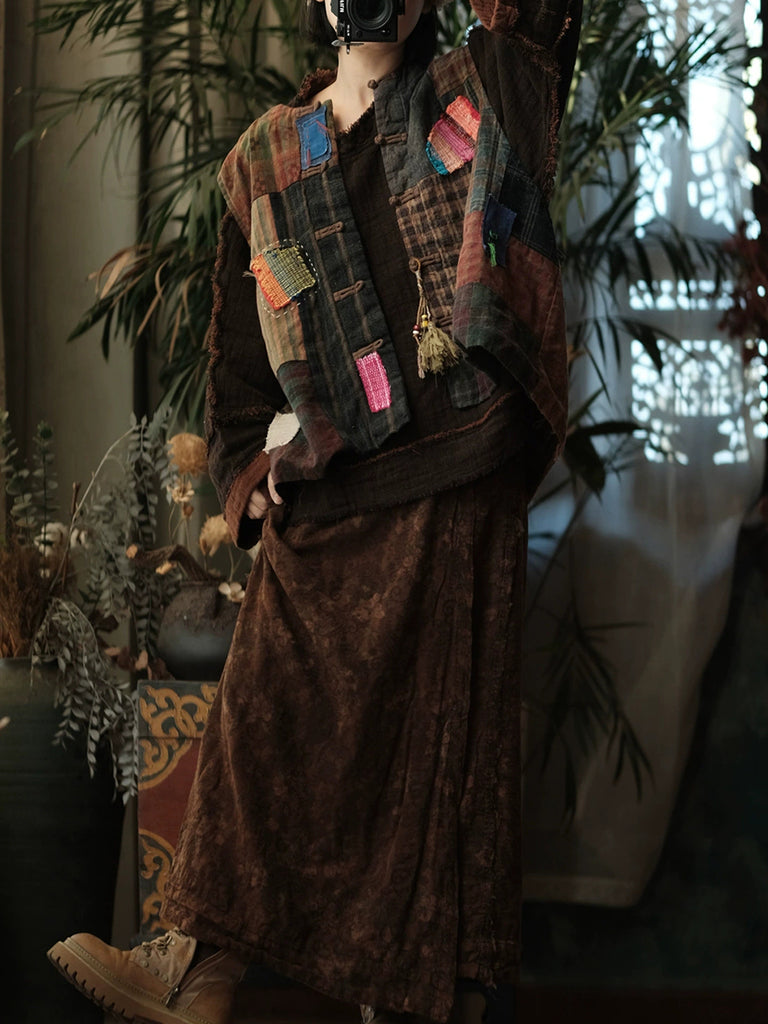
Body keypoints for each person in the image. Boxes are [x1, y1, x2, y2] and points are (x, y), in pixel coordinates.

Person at [48, 0, 581, 1022]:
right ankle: (198, 964)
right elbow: (238, 375)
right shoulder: (263, 162)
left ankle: (436, 996)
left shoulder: (480, 88)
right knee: (261, 721)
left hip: (459, 463)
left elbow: (537, 17)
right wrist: (248, 472)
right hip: (332, 483)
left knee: (440, 757)